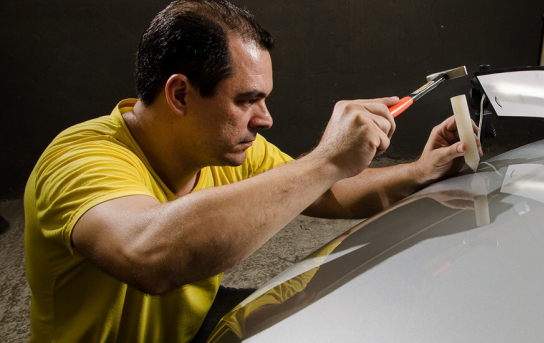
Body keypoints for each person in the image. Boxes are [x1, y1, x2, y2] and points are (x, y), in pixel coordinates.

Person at [23, 0, 481, 342]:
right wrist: (326, 159)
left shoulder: (229, 147)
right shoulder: (80, 159)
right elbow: (149, 255)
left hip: (191, 325)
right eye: (246, 100)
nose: (264, 120)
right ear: (180, 95)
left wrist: (421, 171)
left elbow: (325, 191)